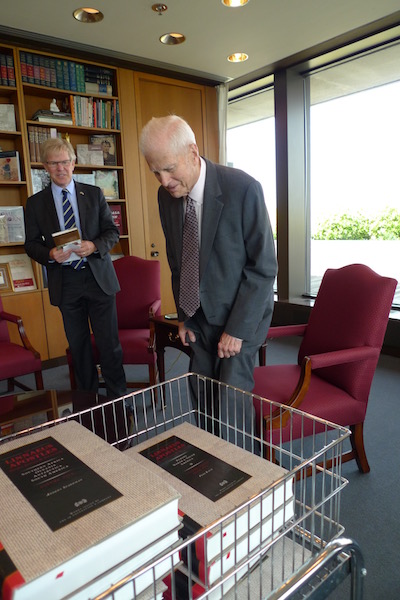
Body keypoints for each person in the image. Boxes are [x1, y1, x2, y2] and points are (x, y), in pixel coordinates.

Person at [139, 115, 277, 443]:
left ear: (192, 152)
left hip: (240, 317)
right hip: (199, 316)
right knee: (201, 394)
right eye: (155, 171)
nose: (163, 180)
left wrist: (236, 330)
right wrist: (184, 317)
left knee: (230, 401)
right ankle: (211, 466)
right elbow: (177, 259)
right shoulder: (166, 197)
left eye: (169, 168)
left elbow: (263, 268)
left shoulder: (242, 188)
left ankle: (240, 479)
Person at [25, 137, 126, 399]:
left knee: (109, 345)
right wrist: (49, 253)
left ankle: (118, 399)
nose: (61, 168)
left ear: (74, 163)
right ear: (45, 167)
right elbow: (31, 244)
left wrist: (94, 246)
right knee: (79, 348)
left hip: (98, 279)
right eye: (54, 163)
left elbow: (111, 232)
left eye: (65, 162)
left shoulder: (93, 194)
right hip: (66, 282)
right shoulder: (35, 203)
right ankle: (88, 402)